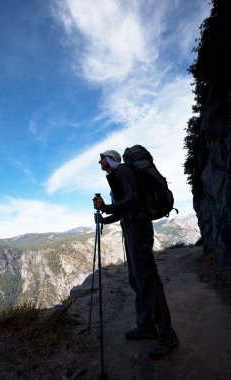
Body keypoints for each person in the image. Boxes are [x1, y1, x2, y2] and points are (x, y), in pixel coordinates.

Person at [93, 149, 179, 360]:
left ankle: (167, 336)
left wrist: (106, 206)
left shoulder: (122, 170)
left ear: (111, 159)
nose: (99, 161)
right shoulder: (117, 176)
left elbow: (134, 198)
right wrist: (104, 217)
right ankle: (146, 326)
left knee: (147, 279)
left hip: (139, 229)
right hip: (131, 229)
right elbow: (124, 209)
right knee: (136, 279)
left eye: (102, 158)